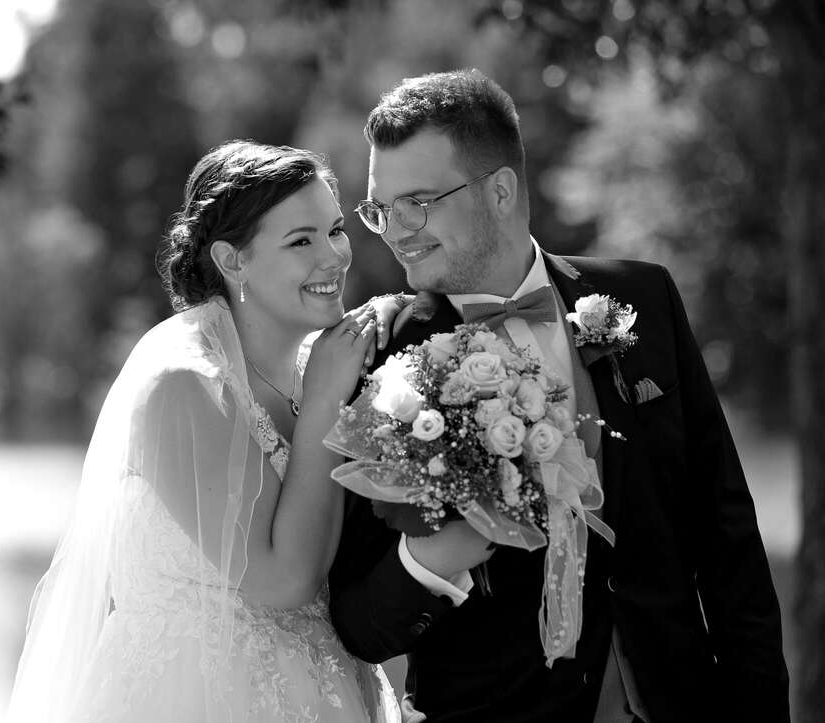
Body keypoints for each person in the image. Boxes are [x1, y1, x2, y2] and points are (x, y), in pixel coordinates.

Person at [328, 70, 790, 722]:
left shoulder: (644, 301)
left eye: (420, 202)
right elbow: (358, 620)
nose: (396, 230)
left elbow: (727, 539)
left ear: (500, 191)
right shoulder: (378, 360)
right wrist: (431, 561)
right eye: (381, 209)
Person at [6, 141, 403, 722]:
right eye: (301, 241)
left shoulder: (317, 368)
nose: (334, 257)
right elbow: (286, 579)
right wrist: (325, 402)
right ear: (233, 260)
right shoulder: (183, 386)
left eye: (335, 230)